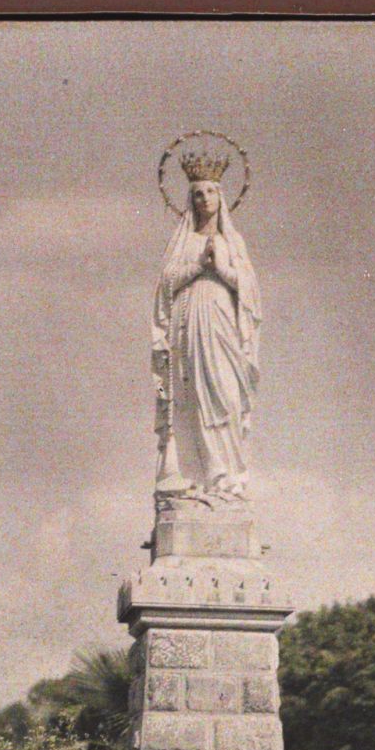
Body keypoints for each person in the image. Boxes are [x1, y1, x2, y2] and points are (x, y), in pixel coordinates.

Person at [152, 154, 262, 501]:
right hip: (189, 324)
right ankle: (203, 473)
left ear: (220, 197)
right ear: (191, 199)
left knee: (226, 395)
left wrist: (221, 269)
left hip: (221, 324)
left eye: (210, 192)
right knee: (195, 398)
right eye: (197, 194)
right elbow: (166, 284)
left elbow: (249, 291)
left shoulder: (233, 242)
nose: (204, 199)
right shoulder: (182, 241)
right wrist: (200, 265)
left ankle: (230, 478)